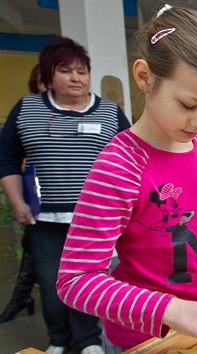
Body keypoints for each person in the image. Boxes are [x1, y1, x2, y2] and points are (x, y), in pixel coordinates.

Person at [55, 6, 197, 353]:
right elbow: (76, 281)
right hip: (140, 341)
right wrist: (169, 309)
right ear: (144, 77)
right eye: (188, 105)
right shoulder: (119, 165)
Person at [0, 36, 130, 354]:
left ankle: (87, 340)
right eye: (66, 70)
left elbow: (132, 160)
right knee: (49, 282)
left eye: (82, 71)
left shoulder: (110, 113)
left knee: (90, 278)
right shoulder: (27, 109)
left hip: (98, 219)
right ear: (48, 75)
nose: (76, 78)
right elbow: (6, 157)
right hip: (44, 217)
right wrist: (17, 201)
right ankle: (58, 338)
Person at [0, 63, 46, 325]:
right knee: (35, 250)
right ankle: (22, 296)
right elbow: (9, 157)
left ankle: (21, 297)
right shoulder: (27, 111)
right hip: (35, 196)